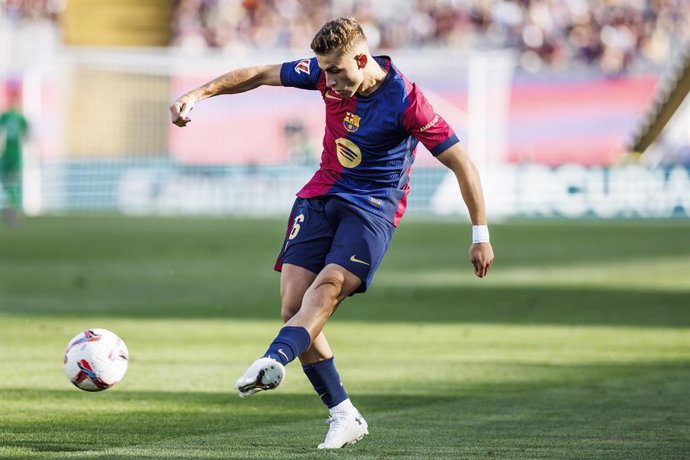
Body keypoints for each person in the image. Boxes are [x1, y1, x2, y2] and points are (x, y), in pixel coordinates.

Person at [170, 17, 494, 449]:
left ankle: (273, 358)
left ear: (362, 59)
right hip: (321, 196)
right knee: (293, 308)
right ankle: (343, 413)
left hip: (372, 211)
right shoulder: (326, 75)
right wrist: (197, 94)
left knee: (327, 290)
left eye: (337, 71)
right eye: (324, 70)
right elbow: (260, 74)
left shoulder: (408, 102)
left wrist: (480, 234)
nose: (328, 81)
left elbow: (462, 164)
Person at [0, 86, 29, 225]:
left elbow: (25, 136)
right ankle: (12, 208)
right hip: (7, 153)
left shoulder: (19, 118)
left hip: (13, 153)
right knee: (7, 180)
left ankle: (13, 209)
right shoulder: (8, 116)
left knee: (12, 180)